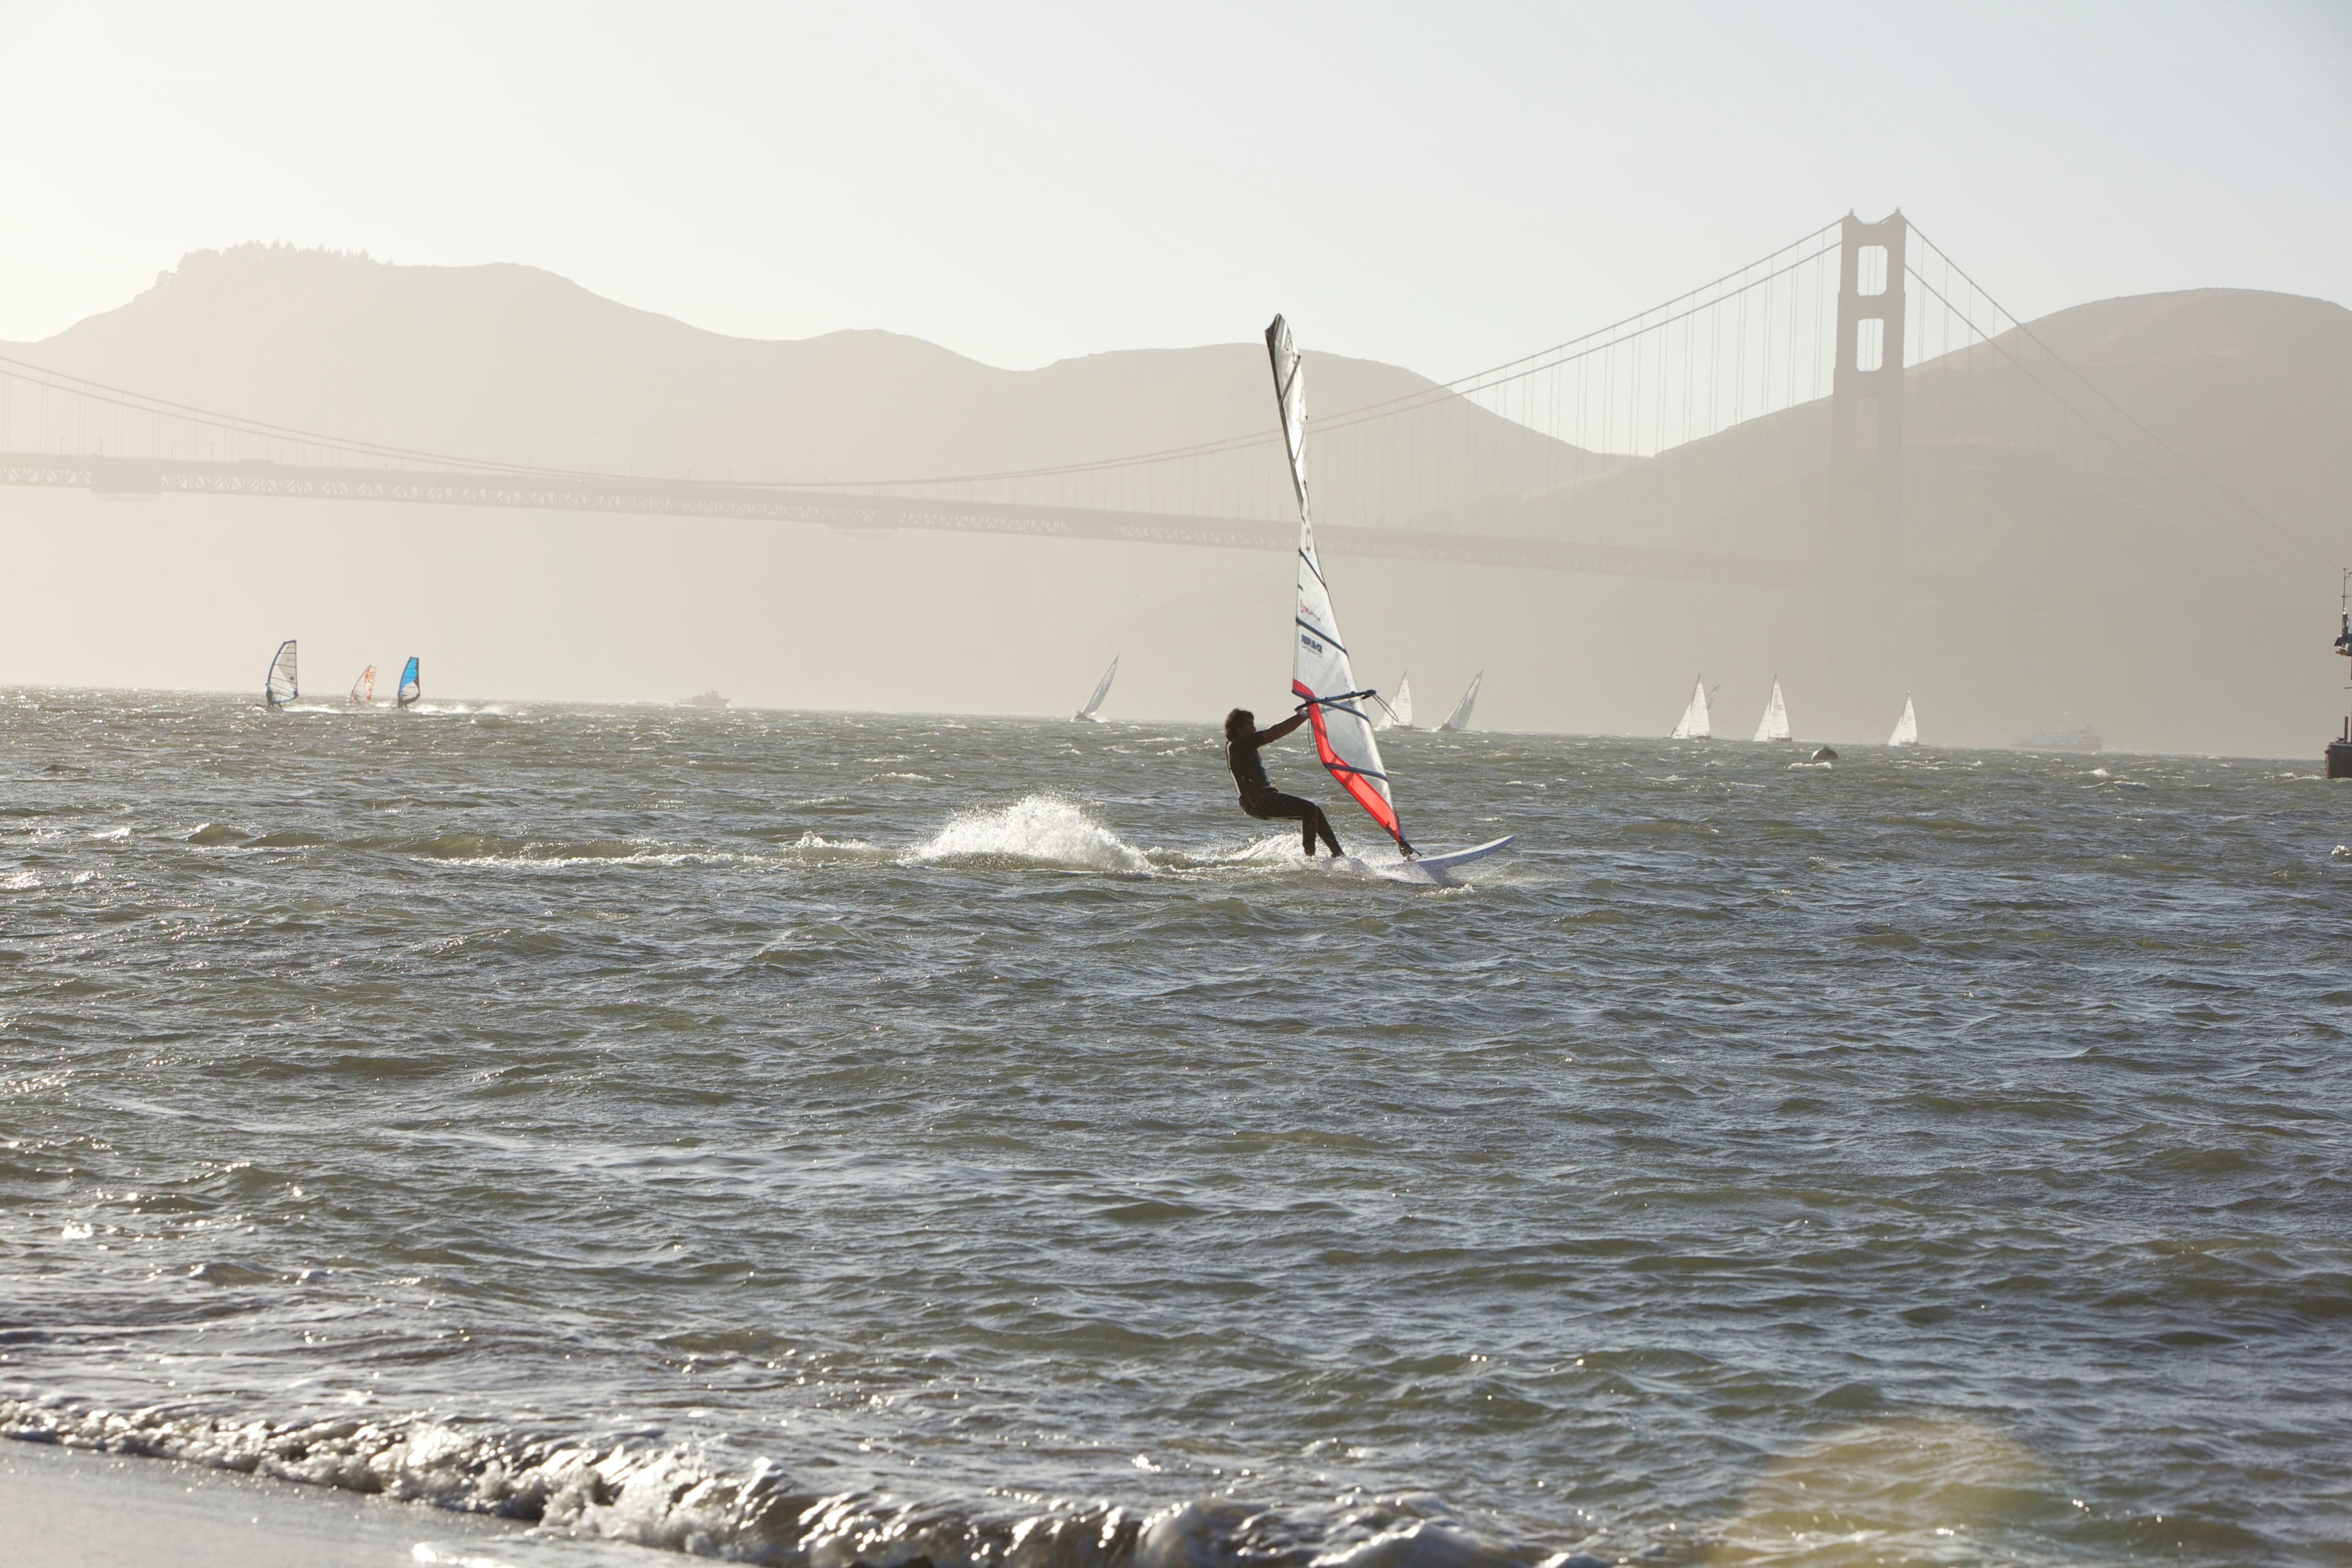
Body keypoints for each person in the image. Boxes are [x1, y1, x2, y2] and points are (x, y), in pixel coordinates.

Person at [1224, 707, 1344, 858]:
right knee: (1310, 810)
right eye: (1250, 725)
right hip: (1260, 801)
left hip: (1256, 802)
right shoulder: (1239, 744)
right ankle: (1310, 857)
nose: (1254, 728)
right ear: (1238, 728)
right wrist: (1303, 715)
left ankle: (1338, 854)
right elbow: (1274, 733)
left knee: (1315, 812)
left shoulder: (1238, 745)